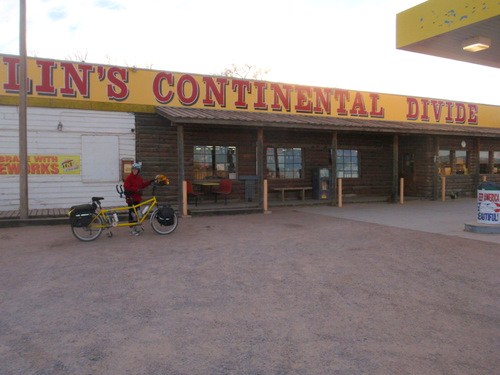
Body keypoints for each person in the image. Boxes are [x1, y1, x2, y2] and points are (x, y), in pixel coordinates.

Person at [123, 162, 154, 235]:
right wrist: (136, 190)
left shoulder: (139, 178)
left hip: (137, 199)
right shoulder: (129, 178)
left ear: (138, 171)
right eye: (133, 169)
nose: (134, 171)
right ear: (132, 170)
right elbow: (126, 187)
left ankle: (135, 228)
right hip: (131, 199)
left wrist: (149, 182)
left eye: (136, 170)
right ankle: (132, 230)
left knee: (138, 214)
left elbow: (142, 185)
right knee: (132, 215)